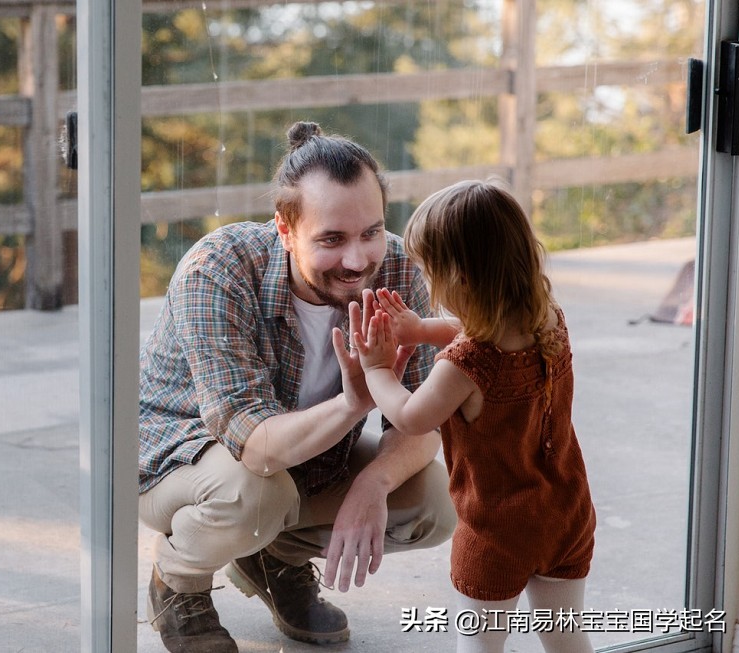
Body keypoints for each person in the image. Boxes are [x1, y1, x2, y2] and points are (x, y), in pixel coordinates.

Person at [138, 121, 457, 653]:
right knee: (259, 493)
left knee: (433, 501)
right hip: (177, 458)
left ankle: (273, 561)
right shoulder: (217, 269)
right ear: (285, 229)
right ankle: (179, 582)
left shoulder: (398, 266)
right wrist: (355, 402)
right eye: (332, 239)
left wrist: (372, 484)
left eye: (370, 232)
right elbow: (258, 447)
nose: (357, 261)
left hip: (301, 459)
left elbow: (424, 420)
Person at [352, 179, 597, 653]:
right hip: (566, 512)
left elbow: (409, 417)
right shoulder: (546, 316)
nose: (427, 283)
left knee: (480, 646)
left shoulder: (464, 367)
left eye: (430, 272)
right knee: (566, 637)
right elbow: (486, 324)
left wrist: (377, 369)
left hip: (498, 532)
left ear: (459, 278)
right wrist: (423, 329)